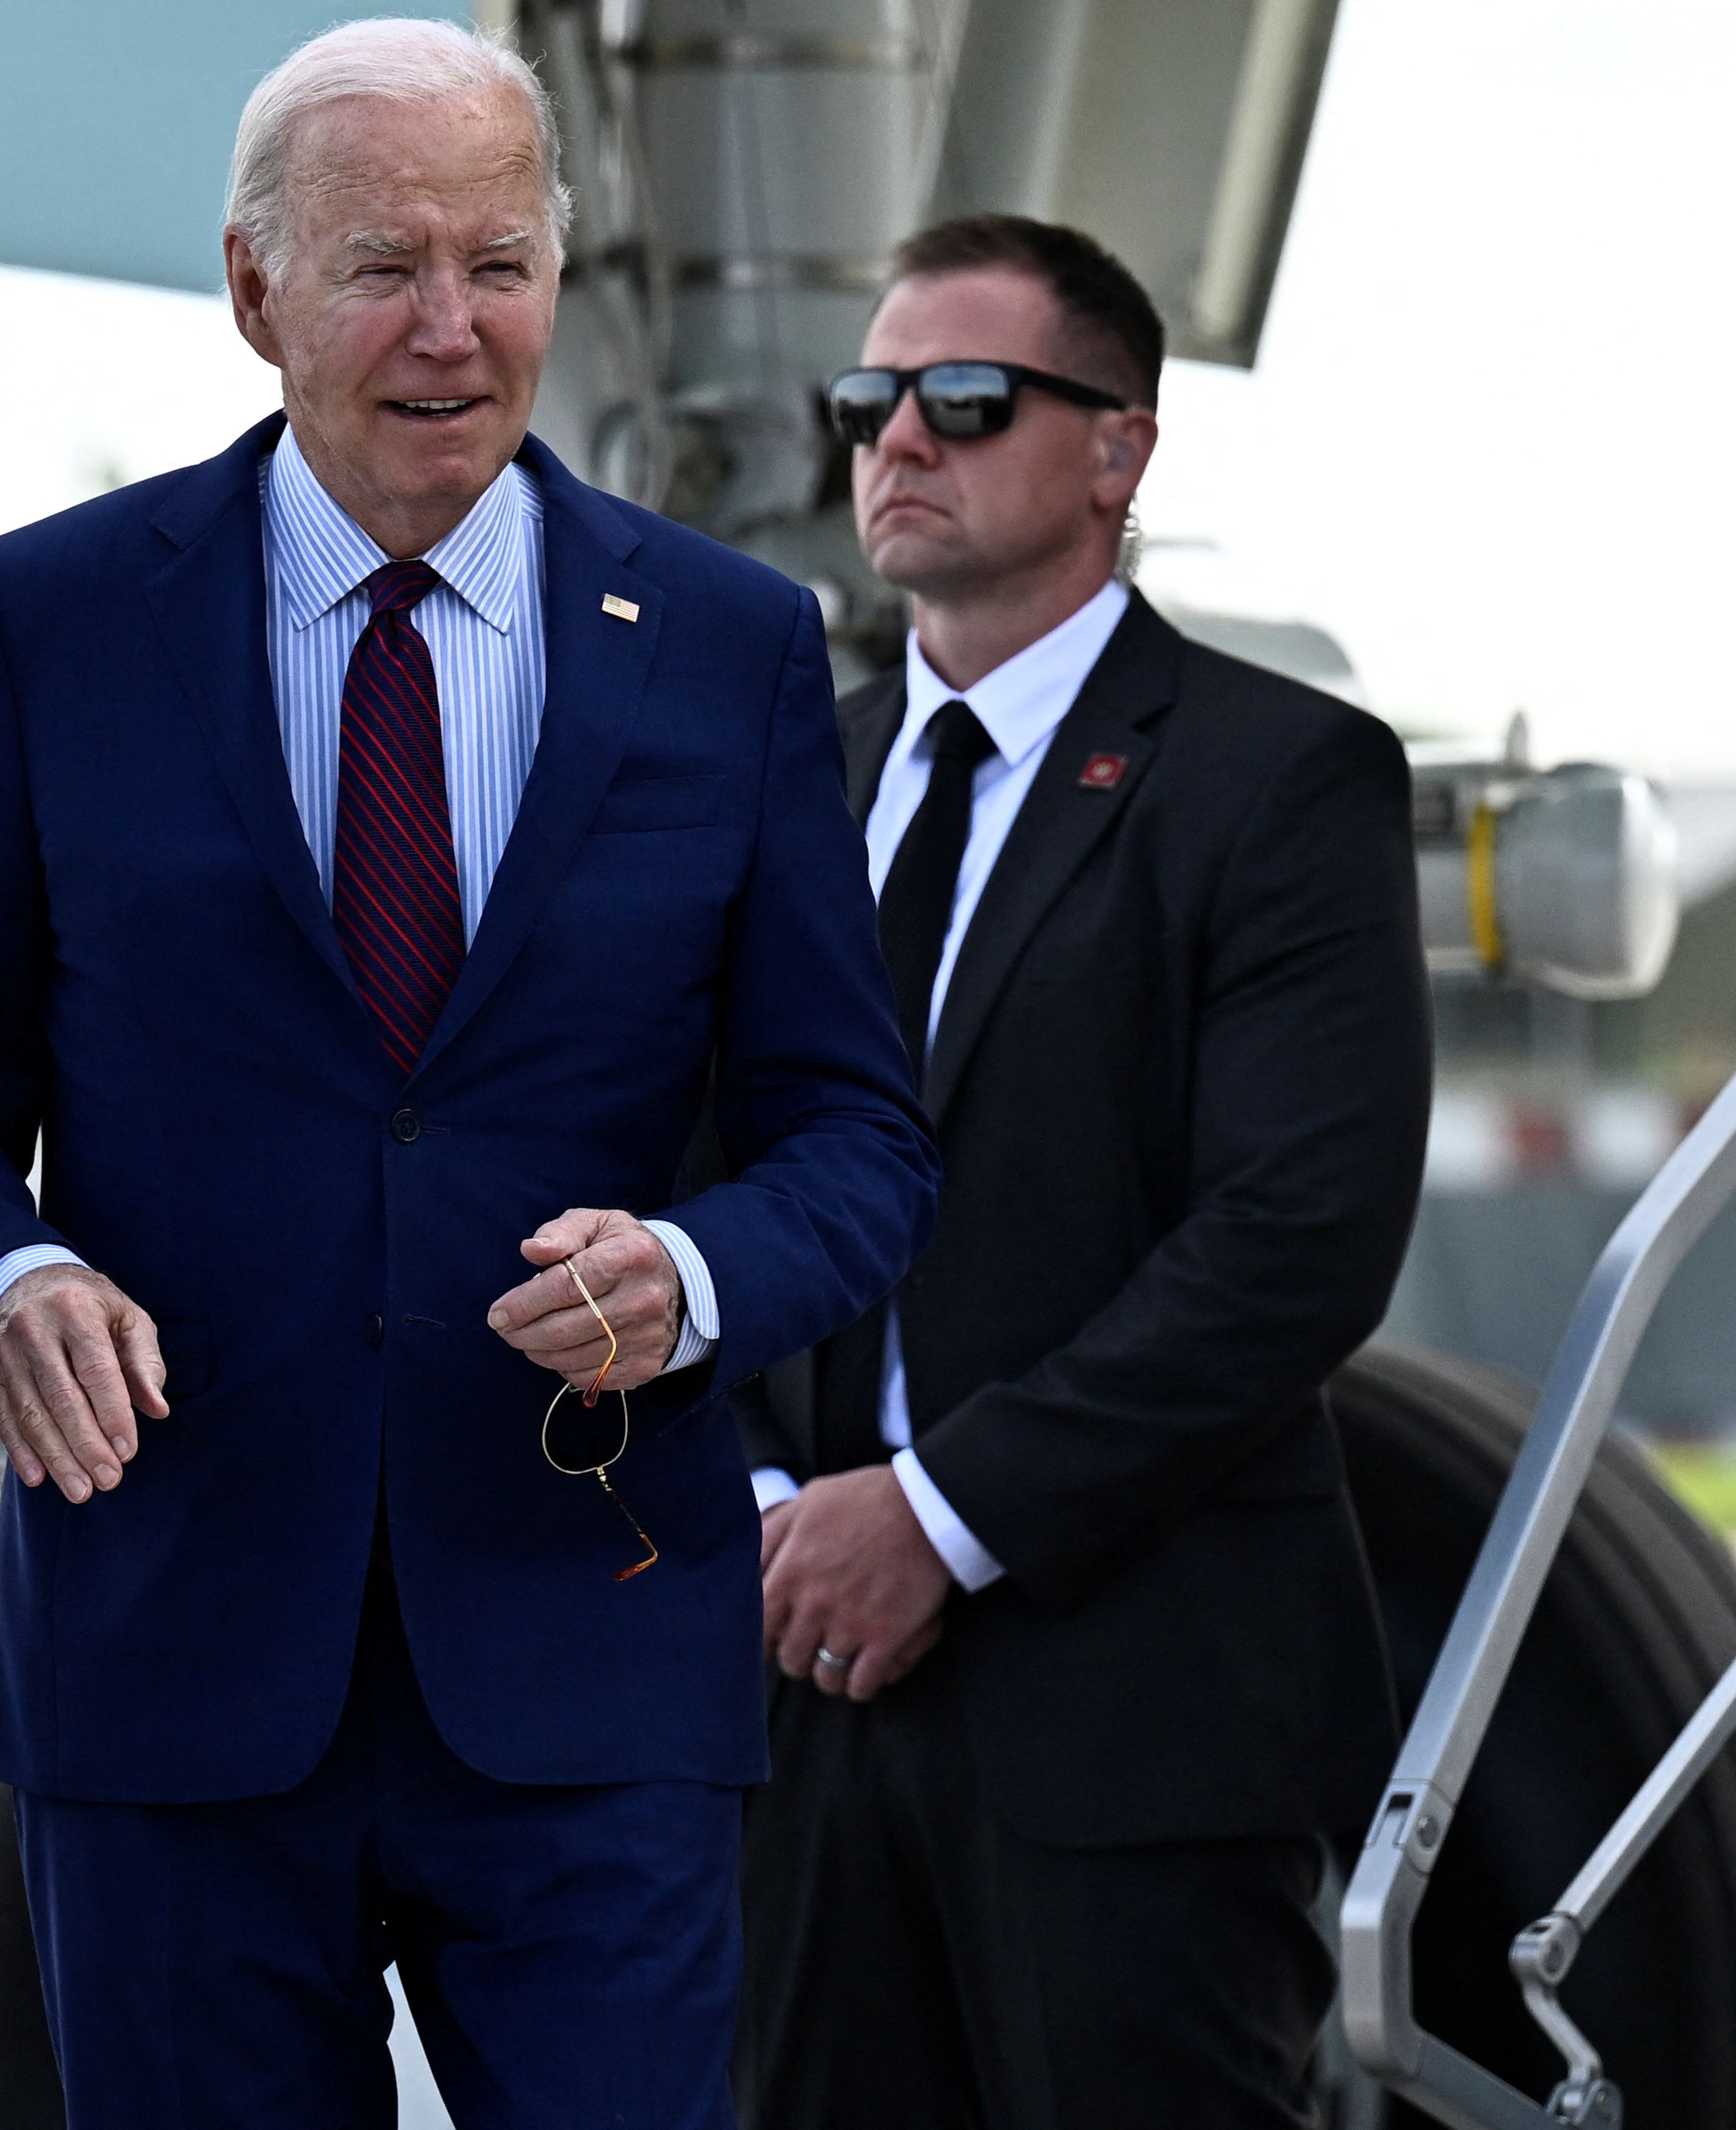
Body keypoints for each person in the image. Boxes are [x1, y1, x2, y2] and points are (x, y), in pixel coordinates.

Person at [0, 20, 939, 2127]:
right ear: (256, 287)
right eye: (383, 267)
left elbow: (858, 1136)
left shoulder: (729, 649)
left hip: (594, 1660)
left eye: (502, 264)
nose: (452, 329)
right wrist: (2, 1284)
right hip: (173, 1663)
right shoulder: (45, 627)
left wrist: (699, 1277)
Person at [732, 215, 1428, 2128]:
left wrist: (936, 1515)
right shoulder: (787, 780)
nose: (898, 442)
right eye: (869, 401)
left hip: (1136, 1726)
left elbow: (1295, 1237)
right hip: (790, 1701)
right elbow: (685, 1182)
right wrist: (777, 1505)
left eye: (966, 400)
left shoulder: (1279, 782)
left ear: (1120, 450)